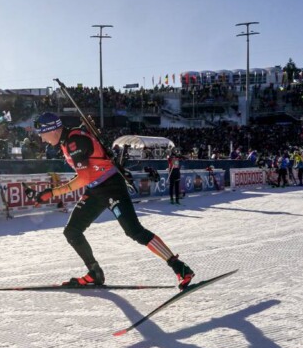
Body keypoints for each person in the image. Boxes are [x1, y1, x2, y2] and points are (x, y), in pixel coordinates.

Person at [32, 112, 194, 290]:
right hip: (95, 190)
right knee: (72, 231)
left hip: (111, 187)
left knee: (134, 231)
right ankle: (94, 272)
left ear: (53, 130)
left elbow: (84, 178)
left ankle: (180, 268)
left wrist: (52, 192)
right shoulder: (68, 141)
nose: (42, 139)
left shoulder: (74, 141)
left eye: (42, 134)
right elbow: (88, 172)